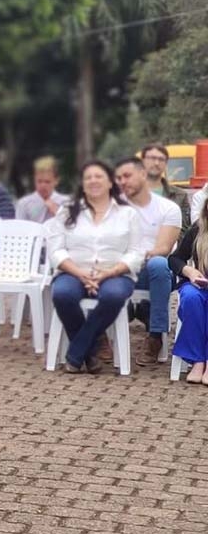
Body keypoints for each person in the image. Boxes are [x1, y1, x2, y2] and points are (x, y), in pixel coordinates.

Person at [47, 160, 145, 374]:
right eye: (88, 177)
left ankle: (77, 352)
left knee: (113, 295)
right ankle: (90, 353)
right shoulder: (67, 211)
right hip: (72, 272)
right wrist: (80, 273)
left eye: (98, 176)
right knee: (62, 294)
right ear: (82, 185)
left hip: (115, 273)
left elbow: (136, 253)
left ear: (110, 182)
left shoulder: (128, 213)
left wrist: (109, 272)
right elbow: (55, 250)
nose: (93, 181)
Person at [114, 157, 180, 365]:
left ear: (143, 174)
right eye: (118, 178)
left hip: (153, 273)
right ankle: (100, 337)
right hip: (119, 270)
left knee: (159, 263)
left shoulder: (168, 208)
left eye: (127, 176)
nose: (122, 181)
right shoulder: (112, 207)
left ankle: (155, 335)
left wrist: (133, 257)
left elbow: (163, 249)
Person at [168, 199, 208, 383]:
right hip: (199, 284)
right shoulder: (199, 228)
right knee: (191, 298)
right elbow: (175, 259)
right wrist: (189, 271)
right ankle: (197, 361)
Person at [141, 143, 191, 230]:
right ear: (142, 161)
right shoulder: (128, 193)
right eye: (152, 158)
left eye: (161, 159)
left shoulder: (180, 195)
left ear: (166, 164)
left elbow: (184, 229)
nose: (156, 163)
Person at [16, 156, 69, 223]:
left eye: (47, 182)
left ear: (56, 181)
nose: (43, 186)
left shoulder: (65, 202)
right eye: (39, 181)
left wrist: (58, 212)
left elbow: (70, 226)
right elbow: (19, 227)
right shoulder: (24, 204)